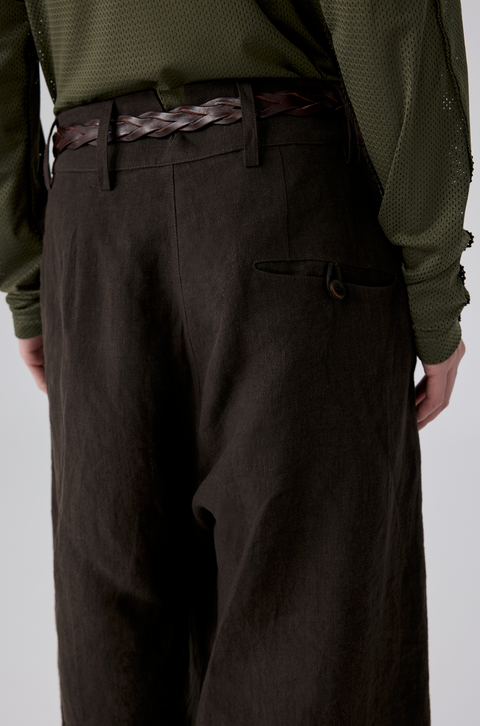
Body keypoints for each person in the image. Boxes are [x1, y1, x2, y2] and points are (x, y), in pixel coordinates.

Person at [0, 1, 472, 724]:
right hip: (289, 206)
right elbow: (385, 18)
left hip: (96, 231)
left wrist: (30, 282)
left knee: (119, 652)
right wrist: (432, 288)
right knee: (305, 633)